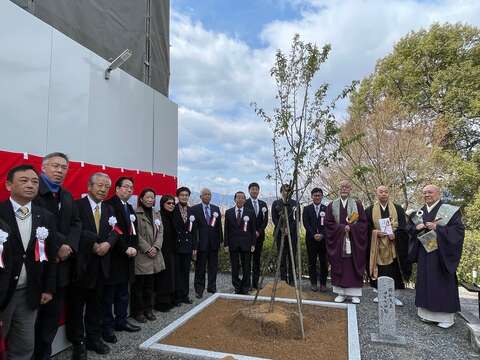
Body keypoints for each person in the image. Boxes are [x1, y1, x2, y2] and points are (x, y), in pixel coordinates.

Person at [0, 165, 57, 360]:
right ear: (9, 185)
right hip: (2, 293)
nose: (30, 185)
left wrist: (48, 288)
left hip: (29, 293)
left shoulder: (45, 216)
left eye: (34, 181)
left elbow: (50, 256)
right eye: (24, 181)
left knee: (24, 345)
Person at [33, 152, 81, 360]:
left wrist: (69, 245)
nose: (60, 171)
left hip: (62, 266)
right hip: (38, 266)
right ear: (43, 167)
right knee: (31, 321)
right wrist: (60, 244)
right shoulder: (33, 191)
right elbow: (36, 223)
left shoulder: (67, 195)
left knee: (51, 319)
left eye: (64, 167)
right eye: (55, 166)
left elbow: (76, 224)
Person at [67, 173, 117, 359]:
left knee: (96, 305)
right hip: (81, 266)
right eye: (100, 185)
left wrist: (108, 244)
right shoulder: (76, 205)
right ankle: (78, 342)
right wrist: (93, 244)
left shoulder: (110, 209)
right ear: (89, 186)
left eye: (106, 186)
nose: (103, 189)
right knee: (76, 307)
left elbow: (116, 230)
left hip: (102, 266)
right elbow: (72, 230)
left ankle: (94, 338)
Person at [408, 184, 464, 329]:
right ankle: (426, 314)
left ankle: (446, 318)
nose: (427, 195)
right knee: (426, 281)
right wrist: (416, 228)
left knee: (441, 282)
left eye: (430, 192)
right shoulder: (420, 212)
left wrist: (438, 228)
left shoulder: (449, 211)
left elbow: (458, 231)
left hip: (441, 254)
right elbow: (409, 229)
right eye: (425, 192)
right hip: (424, 253)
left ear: (438, 193)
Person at [103, 177, 140, 343]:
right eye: (126, 187)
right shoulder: (109, 205)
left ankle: (122, 320)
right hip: (114, 256)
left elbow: (133, 231)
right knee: (109, 295)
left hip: (129, 257)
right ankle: (108, 327)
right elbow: (114, 231)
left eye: (131, 187)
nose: (129, 190)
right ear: (117, 189)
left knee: (123, 293)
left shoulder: (130, 207)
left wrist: (134, 248)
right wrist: (124, 248)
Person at [365, 185, 411, 306]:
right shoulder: (369, 210)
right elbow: (366, 227)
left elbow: (404, 227)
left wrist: (396, 234)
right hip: (377, 245)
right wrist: (375, 233)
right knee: (379, 270)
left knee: (394, 270)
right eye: (381, 192)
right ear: (377, 194)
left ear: (388, 194)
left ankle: (393, 296)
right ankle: (380, 294)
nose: (383, 194)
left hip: (394, 245)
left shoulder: (398, 209)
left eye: (386, 192)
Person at [325, 180, 368, 304]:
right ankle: (341, 293)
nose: (344, 189)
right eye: (342, 187)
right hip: (338, 241)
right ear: (339, 189)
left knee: (352, 266)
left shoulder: (357, 205)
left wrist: (352, 228)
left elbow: (364, 223)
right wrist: (341, 228)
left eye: (347, 187)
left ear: (350, 189)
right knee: (340, 265)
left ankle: (354, 294)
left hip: (353, 242)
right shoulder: (332, 205)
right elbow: (328, 223)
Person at [131, 188, 165, 322]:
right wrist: (147, 248)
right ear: (141, 198)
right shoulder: (135, 213)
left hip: (154, 254)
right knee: (139, 285)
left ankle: (148, 309)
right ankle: (138, 311)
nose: (150, 200)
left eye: (152, 197)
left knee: (150, 286)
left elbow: (161, 231)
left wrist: (156, 247)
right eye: (148, 197)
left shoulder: (156, 213)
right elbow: (135, 234)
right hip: (142, 255)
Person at [191, 188, 223, 298]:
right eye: (205, 194)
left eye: (209, 194)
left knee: (213, 267)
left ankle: (212, 287)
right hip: (201, 244)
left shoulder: (216, 209)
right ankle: (199, 289)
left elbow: (219, 227)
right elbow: (193, 229)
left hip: (214, 243)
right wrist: (194, 245)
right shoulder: (195, 209)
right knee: (200, 268)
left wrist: (220, 241)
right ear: (201, 197)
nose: (207, 196)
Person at [224, 191, 256, 294]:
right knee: (234, 267)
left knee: (246, 266)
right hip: (233, 244)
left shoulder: (250, 212)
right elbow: (226, 230)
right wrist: (226, 244)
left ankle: (245, 288)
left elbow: (253, 229)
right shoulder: (228, 212)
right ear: (234, 199)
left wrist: (253, 244)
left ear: (245, 200)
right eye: (238, 197)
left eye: (242, 198)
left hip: (246, 244)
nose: (240, 199)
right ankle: (237, 287)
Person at [173, 187, 197, 305]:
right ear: (178, 196)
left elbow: (194, 231)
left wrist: (194, 248)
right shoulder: (173, 209)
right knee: (177, 272)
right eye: (182, 195)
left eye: (186, 195)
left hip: (188, 245)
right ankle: (177, 297)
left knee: (186, 272)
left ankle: (185, 295)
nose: (184, 197)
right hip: (176, 246)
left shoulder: (191, 211)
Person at [271, 184, 299, 285]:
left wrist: (289, 230)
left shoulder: (295, 203)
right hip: (279, 234)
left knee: (292, 257)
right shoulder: (276, 203)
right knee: (281, 257)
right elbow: (274, 218)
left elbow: (297, 219)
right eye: (284, 190)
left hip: (292, 235)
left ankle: (292, 280)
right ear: (281, 191)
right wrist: (282, 229)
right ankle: (283, 280)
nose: (286, 193)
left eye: (288, 191)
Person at [302, 187, 328, 292]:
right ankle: (313, 283)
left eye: (319, 195)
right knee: (312, 262)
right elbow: (306, 223)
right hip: (311, 240)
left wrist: (322, 234)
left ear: (322, 196)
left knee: (323, 262)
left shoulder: (326, 209)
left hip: (323, 240)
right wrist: (314, 234)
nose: (317, 197)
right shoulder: (307, 209)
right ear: (312, 196)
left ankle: (323, 283)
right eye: (315, 195)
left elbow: (329, 224)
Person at [154, 195, 176, 311]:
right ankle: (161, 302)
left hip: (171, 250)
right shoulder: (158, 216)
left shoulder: (172, 216)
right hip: (161, 251)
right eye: (169, 203)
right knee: (162, 277)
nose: (171, 205)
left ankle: (170, 299)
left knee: (170, 276)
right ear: (162, 204)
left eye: (173, 203)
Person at [244, 182, 268, 290]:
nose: (254, 191)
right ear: (249, 191)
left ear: (259, 191)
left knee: (257, 261)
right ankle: (247, 284)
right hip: (248, 238)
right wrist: (252, 232)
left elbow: (265, 220)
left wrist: (259, 231)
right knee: (247, 261)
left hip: (259, 236)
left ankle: (255, 283)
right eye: (252, 189)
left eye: (256, 189)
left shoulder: (263, 204)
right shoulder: (245, 203)